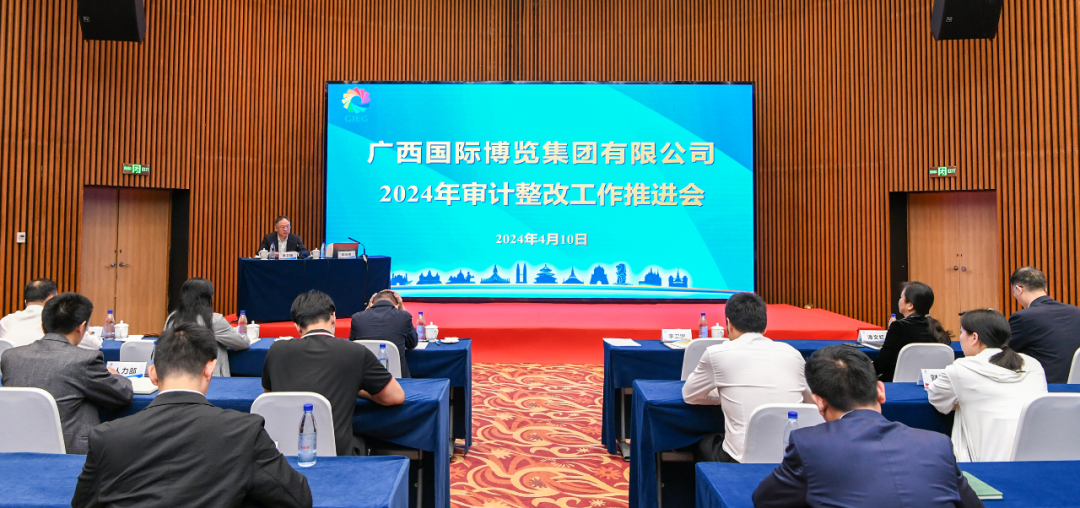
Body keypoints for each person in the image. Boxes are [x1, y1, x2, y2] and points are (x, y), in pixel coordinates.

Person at [72, 322, 312, 507]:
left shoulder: (106, 437)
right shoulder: (244, 432)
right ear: (209, 369)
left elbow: (82, 503)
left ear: (153, 374)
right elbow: (297, 498)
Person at [753, 345, 983, 508]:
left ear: (819, 403)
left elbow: (765, 500)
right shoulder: (937, 444)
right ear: (881, 391)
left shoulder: (809, 445)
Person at [263, 291, 404, 456]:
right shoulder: (355, 352)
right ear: (333, 317)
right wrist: (357, 389)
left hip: (282, 455)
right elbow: (395, 396)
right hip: (337, 456)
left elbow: (270, 394)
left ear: (297, 326)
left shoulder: (276, 351)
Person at [682, 292, 812, 463]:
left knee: (703, 443)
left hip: (741, 460)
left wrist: (723, 395)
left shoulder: (717, 353)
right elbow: (812, 401)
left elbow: (690, 395)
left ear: (728, 324)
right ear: (765, 327)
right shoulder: (793, 354)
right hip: (791, 456)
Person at [0, 293, 132, 454]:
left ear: (43, 326)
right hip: (71, 455)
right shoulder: (84, 360)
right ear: (81, 327)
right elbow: (123, 394)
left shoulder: (10, 357)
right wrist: (114, 374)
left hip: (13, 451)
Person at [928, 309, 1048, 462]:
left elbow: (937, 398)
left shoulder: (961, 369)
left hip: (986, 467)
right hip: (1036, 461)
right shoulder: (1033, 364)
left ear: (974, 338)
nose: (961, 338)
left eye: (961, 332)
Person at [1007, 267, 1080, 383]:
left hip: (1045, 388)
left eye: (1013, 292)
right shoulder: (1076, 312)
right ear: (1045, 288)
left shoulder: (1024, 317)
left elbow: (1003, 351)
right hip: (1075, 388)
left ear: (1019, 289)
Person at [164, 278, 249, 377]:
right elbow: (242, 343)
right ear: (207, 298)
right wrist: (243, 334)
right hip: (210, 378)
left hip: (176, 375)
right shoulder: (214, 320)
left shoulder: (172, 318)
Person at [873, 281, 953, 381]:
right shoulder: (936, 327)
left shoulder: (899, 327)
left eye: (901, 297)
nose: (899, 300)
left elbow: (883, 363)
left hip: (896, 383)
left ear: (910, 305)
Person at [0, 278, 101, 350]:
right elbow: (94, 345)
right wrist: (86, 333)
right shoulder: (57, 320)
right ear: (51, 300)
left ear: (25, 302)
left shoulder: (5, 321)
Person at [350, 289, 419, 377]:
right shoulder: (404, 316)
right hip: (397, 380)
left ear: (372, 303)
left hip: (365, 379)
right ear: (397, 304)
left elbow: (352, 344)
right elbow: (412, 343)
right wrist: (402, 308)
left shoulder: (357, 318)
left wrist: (367, 310)